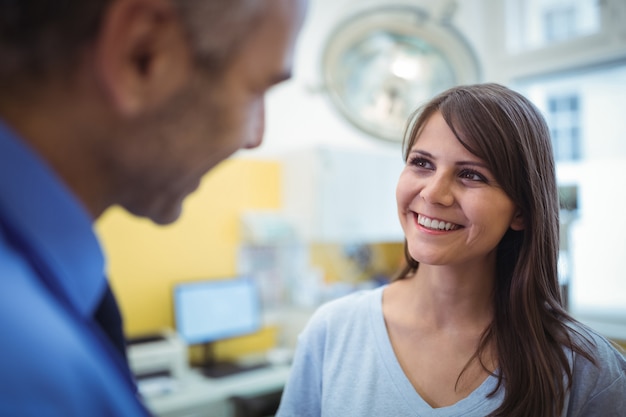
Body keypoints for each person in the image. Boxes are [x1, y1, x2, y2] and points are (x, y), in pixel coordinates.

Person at [0, 0, 307, 415]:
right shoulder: (31, 369)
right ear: (143, 56)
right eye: (256, 90)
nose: (255, 138)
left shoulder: (52, 291)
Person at [276, 83, 626, 417]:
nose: (433, 193)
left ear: (520, 210)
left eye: (471, 175)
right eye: (422, 163)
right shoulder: (332, 331)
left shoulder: (586, 370)